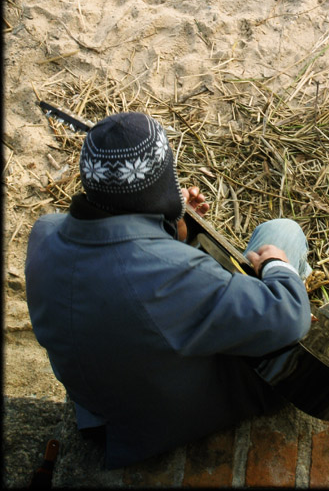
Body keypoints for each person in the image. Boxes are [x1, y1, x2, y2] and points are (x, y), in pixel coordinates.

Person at [25, 111, 312, 469]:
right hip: (161, 420)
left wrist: (169, 227)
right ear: (159, 182)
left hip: (98, 407)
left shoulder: (45, 232)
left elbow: (122, 277)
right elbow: (289, 319)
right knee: (283, 234)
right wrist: (276, 266)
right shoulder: (174, 275)